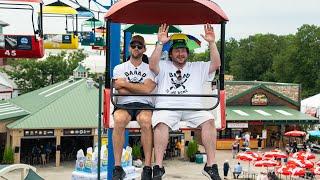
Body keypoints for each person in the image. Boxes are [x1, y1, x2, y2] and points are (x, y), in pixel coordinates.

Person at [149, 23, 221, 180]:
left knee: (209, 121)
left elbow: (216, 64)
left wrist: (212, 43)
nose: (180, 54)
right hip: (167, 107)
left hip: (192, 107)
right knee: (160, 123)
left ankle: (210, 165)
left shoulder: (197, 67)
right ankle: (159, 166)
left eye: (183, 51)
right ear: (171, 53)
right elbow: (152, 65)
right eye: (177, 50)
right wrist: (160, 43)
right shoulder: (163, 65)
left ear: (187, 53)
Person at [112, 35, 156, 180]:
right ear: (129, 47)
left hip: (144, 104)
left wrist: (126, 84)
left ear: (144, 49)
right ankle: (118, 167)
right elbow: (120, 90)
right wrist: (140, 87)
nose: (136, 48)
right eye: (133, 45)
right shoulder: (119, 67)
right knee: (119, 119)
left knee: (145, 121)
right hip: (124, 103)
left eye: (139, 46)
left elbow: (148, 89)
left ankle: (147, 166)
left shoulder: (150, 69)